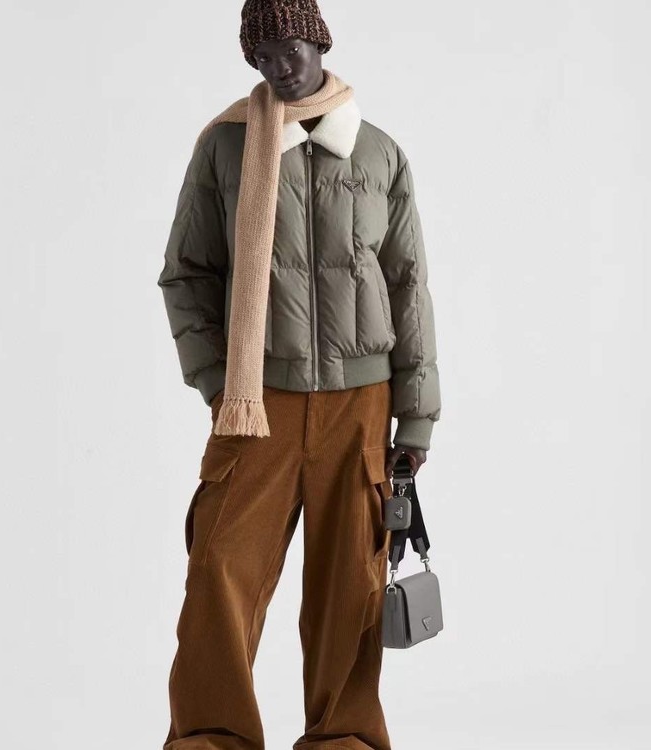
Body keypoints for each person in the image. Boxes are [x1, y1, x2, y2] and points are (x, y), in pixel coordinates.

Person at [156, 1, 441, 748]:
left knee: (351, 588)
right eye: (261, 56)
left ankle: (344, 737)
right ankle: (209, 736)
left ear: (319, 42)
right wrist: (221, 385)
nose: (278, 67)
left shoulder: (378, 153)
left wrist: (416, 418)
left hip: (361, 403)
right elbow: (186, 274)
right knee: (218, 571)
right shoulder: (225, 147)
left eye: (290, 49)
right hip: (256, 407)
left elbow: (408, 286)